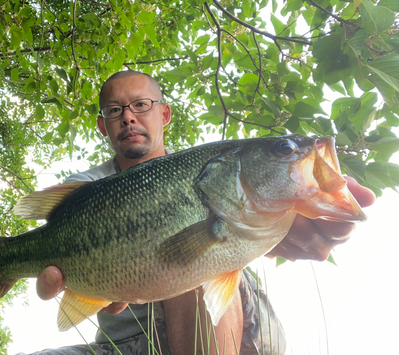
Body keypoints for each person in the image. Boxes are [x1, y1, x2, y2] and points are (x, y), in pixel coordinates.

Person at [29, 70, 376, 355]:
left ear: (164, 114)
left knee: (195, 254)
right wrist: (81, 283)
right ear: (103, 126)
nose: (129, 116)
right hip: (125, 345)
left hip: (238, 336)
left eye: (140, 104)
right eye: (115, 110)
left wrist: (307, 224)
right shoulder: (86, 189)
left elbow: (255, 224)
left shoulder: (212, 172)